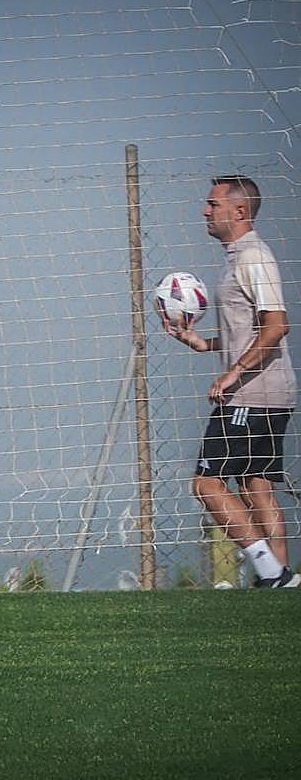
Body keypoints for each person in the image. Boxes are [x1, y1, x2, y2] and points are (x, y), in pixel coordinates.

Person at [162, 175, 298, 588]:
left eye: (213, 204)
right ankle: (281, 580)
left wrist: (234, 372)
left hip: (252, 393)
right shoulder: (240, 257)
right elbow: (248, 332)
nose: (205, 210)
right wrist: (203, 343)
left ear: (239, 211)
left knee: (206, 484)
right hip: (270, 391)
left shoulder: (254, 257)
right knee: (256, 486)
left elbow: (276, 326)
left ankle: (270, 571)